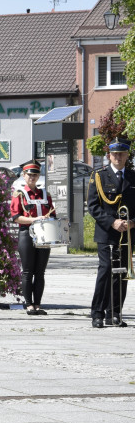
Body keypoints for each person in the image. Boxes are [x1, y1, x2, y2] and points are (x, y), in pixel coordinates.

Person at [87, 140, 135, 328]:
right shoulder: (99, 176)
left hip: (127, 234)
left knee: (122, 273)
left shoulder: (133, 177)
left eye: (122, 154)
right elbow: (93, 206)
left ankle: (114, 313)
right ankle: (97, 313)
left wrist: (131, 223)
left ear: (127, 155)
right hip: (107, 232)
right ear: (109, 156)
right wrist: (112, 222)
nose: (118, 157)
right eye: (114, 154)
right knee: (106, 271)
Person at [11, 160, 56, 316]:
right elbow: (16, 217)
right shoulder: (19, 194)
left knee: (40, 272)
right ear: (24, 175)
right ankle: (29, 304)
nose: (32, 177)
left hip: (44, 235)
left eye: (35, 175)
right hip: (26, 234)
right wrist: (34, 220)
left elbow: (53, 214)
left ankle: (38, 304)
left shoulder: (45, 194)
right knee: (27, 271)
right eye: (30, 175)